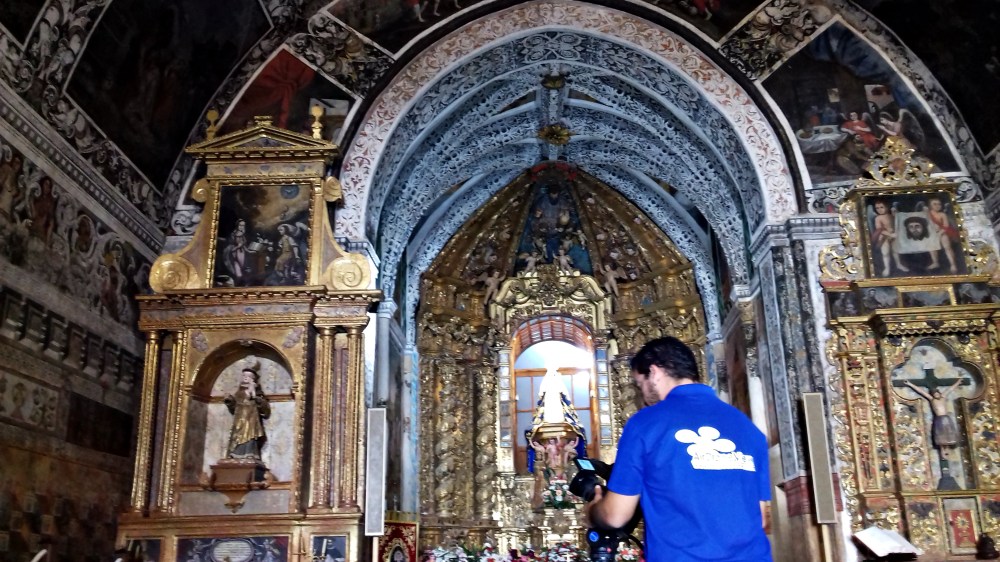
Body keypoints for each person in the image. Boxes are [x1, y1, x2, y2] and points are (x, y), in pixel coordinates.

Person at [584, 336, 771, 561]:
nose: (643, 395)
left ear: (655, 372)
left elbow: (616, 515)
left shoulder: (646, 424)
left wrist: (594, 509)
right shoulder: (749, 430)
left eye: (640, 384)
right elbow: (760, 517)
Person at [224, 366, 271, 461]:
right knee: (237, 435)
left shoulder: (257, 391)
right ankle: (235, 453)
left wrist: (254, 396)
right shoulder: (239, 392)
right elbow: (234, 407)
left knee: (250, 436)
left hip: (251, 418)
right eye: (244, 375)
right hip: (240, 418)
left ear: (253, 378)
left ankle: (250, 453)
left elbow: (264, 408)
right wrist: (229, 401)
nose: (245, 377)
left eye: (248, 376)